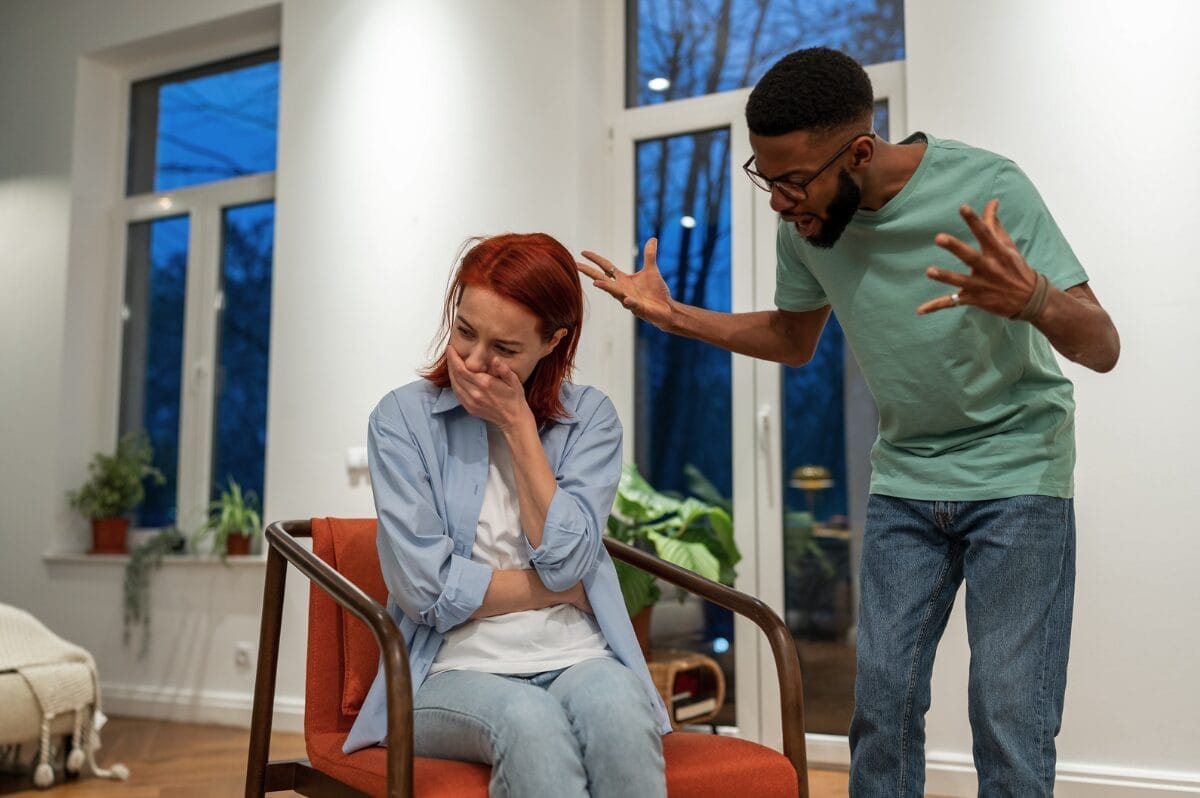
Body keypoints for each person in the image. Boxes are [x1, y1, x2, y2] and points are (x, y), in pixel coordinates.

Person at [578, 47, 1119, 798]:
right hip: (905, 477)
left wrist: (1036, 301)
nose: (779, 202)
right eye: (766, 179)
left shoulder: (989, 187)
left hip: (1017, 471)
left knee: (1008, 712)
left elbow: (1103, 345)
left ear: (860, 151)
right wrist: (675, 317)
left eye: (794, 181)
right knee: (881, 706)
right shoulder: (806, 229)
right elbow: (793, 340)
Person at [344, 233, 670, 798]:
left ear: (552, 342)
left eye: (505, 348)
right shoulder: (401, 421)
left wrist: (518, 427)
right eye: (465, 331)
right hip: (445, 670)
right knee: (529, 722)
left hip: (577, 654)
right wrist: (554, 591)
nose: (473, 361)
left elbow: (565, 562)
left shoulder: (589, 419)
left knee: (622, 712)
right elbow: (426, 591)